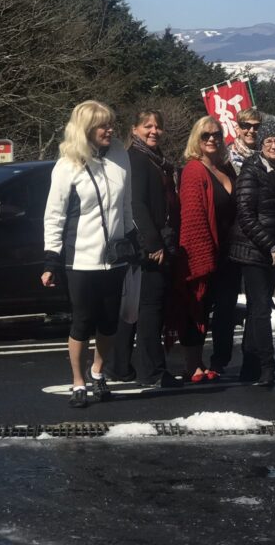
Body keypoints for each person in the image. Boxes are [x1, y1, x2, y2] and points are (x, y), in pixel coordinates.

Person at [42, 100, 136, 408]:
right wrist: (51, 259)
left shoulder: (121, 155)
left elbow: (126, 205)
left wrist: (133, 238)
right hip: (80, 257)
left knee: (109, 322)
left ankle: (97, 372)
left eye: (111, 123)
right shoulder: (67, 164)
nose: (110, 130)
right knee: (82, 321)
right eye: (103, 125)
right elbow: (54, 215)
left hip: (116, 256)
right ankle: (78, 381)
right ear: (85, 130)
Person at [109, 109, 182, 389]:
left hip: (154, 242)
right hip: (147, 246)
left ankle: (119, 366)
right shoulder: (137, 160)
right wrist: (153, 243)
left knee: (134, 308)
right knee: (150, 308)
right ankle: (152, 371)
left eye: (158, 126)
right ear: (134, 129)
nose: (154, 131)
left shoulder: (154, 160)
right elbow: (136, 204)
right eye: (147, 126)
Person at [229, 114, 275, 387]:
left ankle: (249, 363)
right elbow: (245, 213)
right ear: (261, 144)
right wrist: (270, 245)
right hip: (252, 249)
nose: (273, 145)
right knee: (260, 309)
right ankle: (268, 366)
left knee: (259, 307)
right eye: (268, 140)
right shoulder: (251, 169)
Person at [173, 116, 241, 383]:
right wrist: (201, 256)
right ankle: (193, 364)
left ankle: (215, 361)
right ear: (196, 140)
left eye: (216, 134)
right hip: (203, 251)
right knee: (196, 305)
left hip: (230, 253)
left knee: (223, 309)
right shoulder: (193, 169)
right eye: (205, 135)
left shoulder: (226, 168)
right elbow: (192, 218)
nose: (212, 139)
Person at [228, 107, 262, 174]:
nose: (251, 131)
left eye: (256, 126)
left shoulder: (267, 153)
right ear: (237, 128)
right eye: (246, 126)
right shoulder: (226, 157)